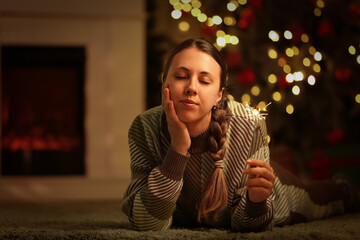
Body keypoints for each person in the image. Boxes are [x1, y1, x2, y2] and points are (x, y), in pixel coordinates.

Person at [121, 38, 359, 232]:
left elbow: (250, 224)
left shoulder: (248, 123)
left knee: (319, 200)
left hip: (269, 196)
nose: (191, 87)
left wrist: (257, 199)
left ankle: (344, 189)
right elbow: (146, 222)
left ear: (219, 95)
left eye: (204, 80)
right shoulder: (144, 128)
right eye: (181, 76)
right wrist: (178, 149)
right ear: (165, 83)